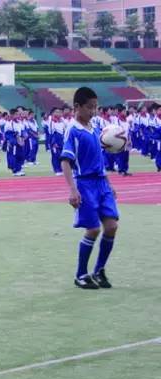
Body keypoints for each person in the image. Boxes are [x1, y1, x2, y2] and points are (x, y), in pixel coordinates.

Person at [60, 87, 118, 290]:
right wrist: (72, 189)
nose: (93, 111)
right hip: (84, 183)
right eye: (89, 107)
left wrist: (109, 185)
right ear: (77, 107)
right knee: (93, 229)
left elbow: (99, 160)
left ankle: (99, 270)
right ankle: (81, 274)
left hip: (102, 183)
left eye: (95, 107)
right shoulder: (73, 130)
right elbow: (66, 162)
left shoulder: (95, 128)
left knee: (111, 226)